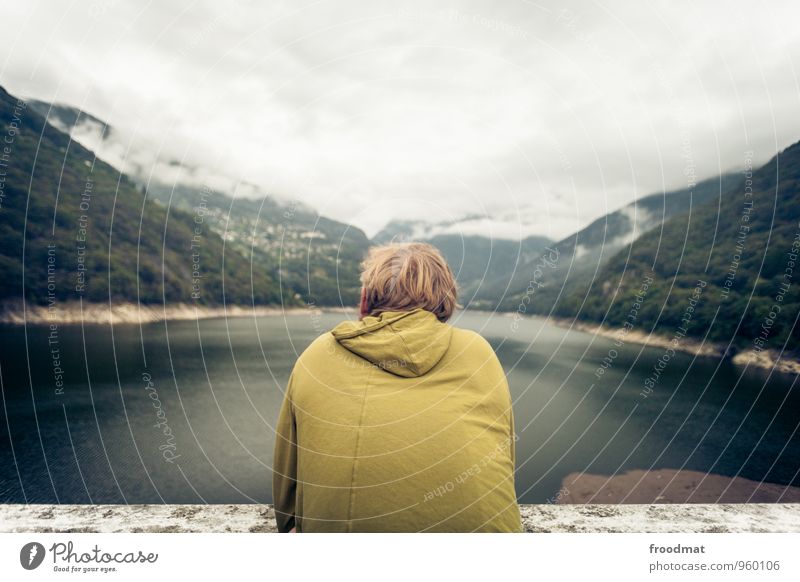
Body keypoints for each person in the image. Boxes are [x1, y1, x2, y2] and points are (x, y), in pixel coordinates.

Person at [272, 242, 522, 532]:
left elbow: (286, 490)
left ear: (365, 301)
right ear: (445, 304)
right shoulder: (478, 352)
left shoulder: (320, 354)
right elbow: (503, 456)